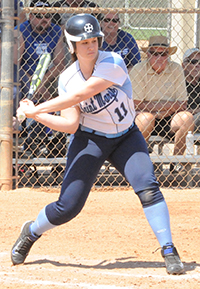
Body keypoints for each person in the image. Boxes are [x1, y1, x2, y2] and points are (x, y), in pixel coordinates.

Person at [11, 14, 184, 275]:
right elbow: (70, 124)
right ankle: (32, 230)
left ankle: (169, 248)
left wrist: (36, 109)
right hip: (90, 140)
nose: (91, 47)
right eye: (83, 43)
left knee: (148, 186)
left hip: (127, 137)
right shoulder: (67, 78)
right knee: (67, 207)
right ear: (72, 46)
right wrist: (37, 115)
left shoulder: (113, 62)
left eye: (94, 40)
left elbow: (83, 94)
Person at [129, 35, 194, 174]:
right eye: (154, 53)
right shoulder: (138, 69)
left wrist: (155, 106)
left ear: (168, 55)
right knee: (147, 118)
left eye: (163, 53)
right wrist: (169, 104)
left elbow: (182, 104)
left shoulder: (176, 69)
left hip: (169, 117)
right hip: (145, 116)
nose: (159, 57)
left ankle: (176, 163)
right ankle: (140, 165)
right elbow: (136, 104)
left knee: (187, 118)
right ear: (148, 54)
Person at [13, 0, 66, 155]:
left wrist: (41, 84)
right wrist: (33, 85)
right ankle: (18, 128)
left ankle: (43, 138)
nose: (44, 19)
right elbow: (17, 64)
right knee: (15, 92)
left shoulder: (56, 31)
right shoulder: (21, 30)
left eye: (48, 16)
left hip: (46, 78)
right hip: (23, 78)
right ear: (30, 16)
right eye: (39, 15)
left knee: (59, 93)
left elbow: (59, 63)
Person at [182, 48, 200, 133]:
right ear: (184, 65)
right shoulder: (178, 83)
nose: (197, 65)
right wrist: (195, 111)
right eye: (193, 62)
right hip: (185, 120)